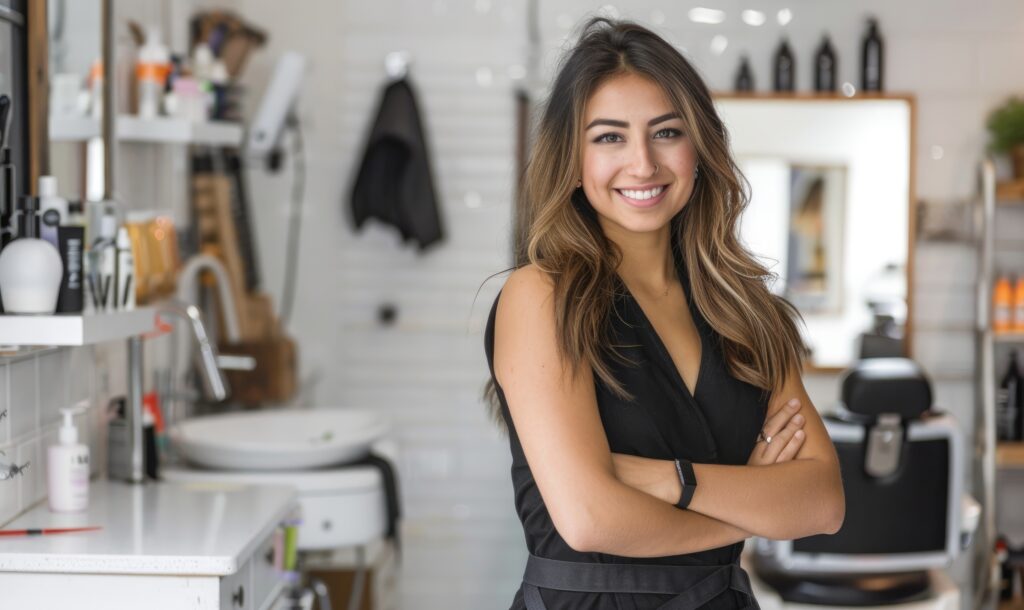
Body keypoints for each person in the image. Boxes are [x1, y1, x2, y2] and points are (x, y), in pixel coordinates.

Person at [483, 18, 845, 610]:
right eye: (609, 138)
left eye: (666, 132)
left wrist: (667, 479)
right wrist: (748, 512)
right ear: (573, 162)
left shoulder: (745, 311)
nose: (643, 164)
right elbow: (589, 519)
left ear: (698, 148)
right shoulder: (541, 296)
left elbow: (823, 501)